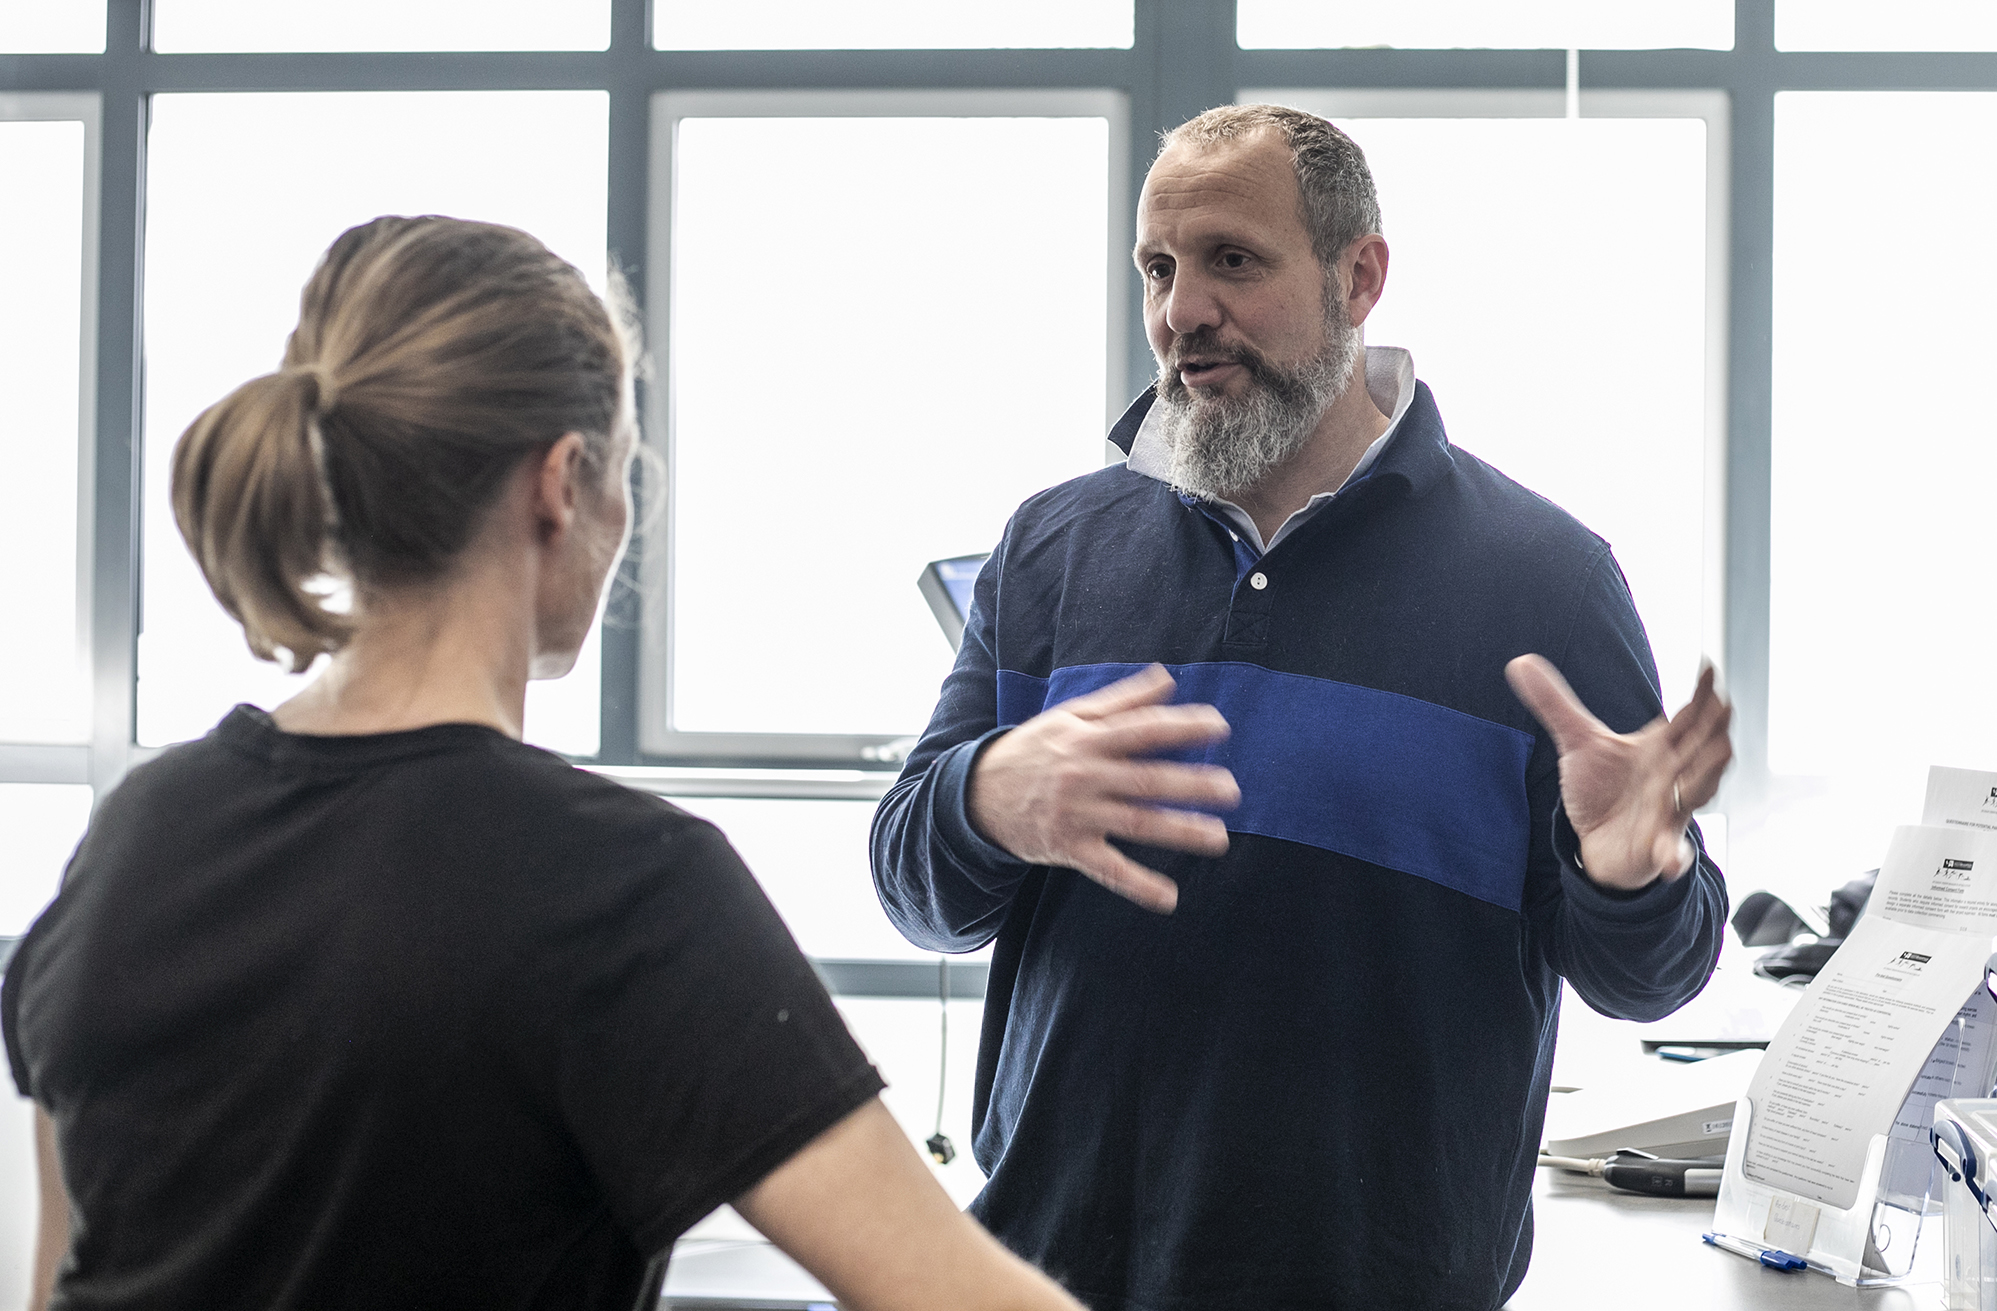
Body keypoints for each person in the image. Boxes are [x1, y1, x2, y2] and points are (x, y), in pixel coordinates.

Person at [3, 216, 1085, 1311]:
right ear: (562, 483)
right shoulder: (616, 882)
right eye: (624, 469)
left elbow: (62, 1279)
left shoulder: (141, 828)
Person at [871, 104, 1732, 1310]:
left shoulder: (1544, 581)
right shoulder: (1055, 547)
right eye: (1157, 269)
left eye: (1232, 260)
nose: (1181, 311)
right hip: (1047, 1274)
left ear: (1358, 275)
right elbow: (916, 889)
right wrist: (981, 800)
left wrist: (1632, 870)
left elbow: (1652, 976)